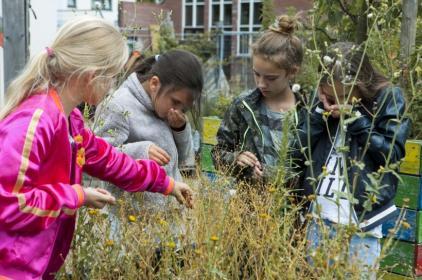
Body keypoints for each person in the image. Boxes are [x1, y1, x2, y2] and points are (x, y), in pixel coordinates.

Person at [0, 17, 193, 280]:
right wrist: (76, 196)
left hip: (36, 264)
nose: (112, 86)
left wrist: (167, 184)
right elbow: (9, 206)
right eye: (112, 77)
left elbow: (109, 160)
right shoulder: (35, 122)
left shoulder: (71, 121)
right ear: (92, 76)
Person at [296, 42, 411, 277]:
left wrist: (356, 119)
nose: (336, 101)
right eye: (330, 94)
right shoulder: (318, 100)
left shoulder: (388, 98)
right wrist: (319, 112)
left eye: (344, 95)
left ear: (360, 85)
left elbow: (391, 154)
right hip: (318, 218)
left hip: (362, 224)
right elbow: (297, 149)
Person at [94, 49, 202, 242]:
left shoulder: (165, 108)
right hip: (130, 228)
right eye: (175, 102)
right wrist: (140, 151)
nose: (177, 110)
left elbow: (186, 160)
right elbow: (98, 158)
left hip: (168, 225)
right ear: (154, 83)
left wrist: (180, 129)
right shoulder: (117, 105)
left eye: (183, 108)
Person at [212, 15, 305, 187]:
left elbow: (310, 171)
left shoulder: (307, 112)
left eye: (271, 78)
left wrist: (268, 175)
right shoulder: (242, 106)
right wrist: (236, 159)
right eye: (256, 74)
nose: (261, 83)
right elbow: (218, 154)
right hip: (248, 209)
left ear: (292, 72)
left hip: (293, 209)